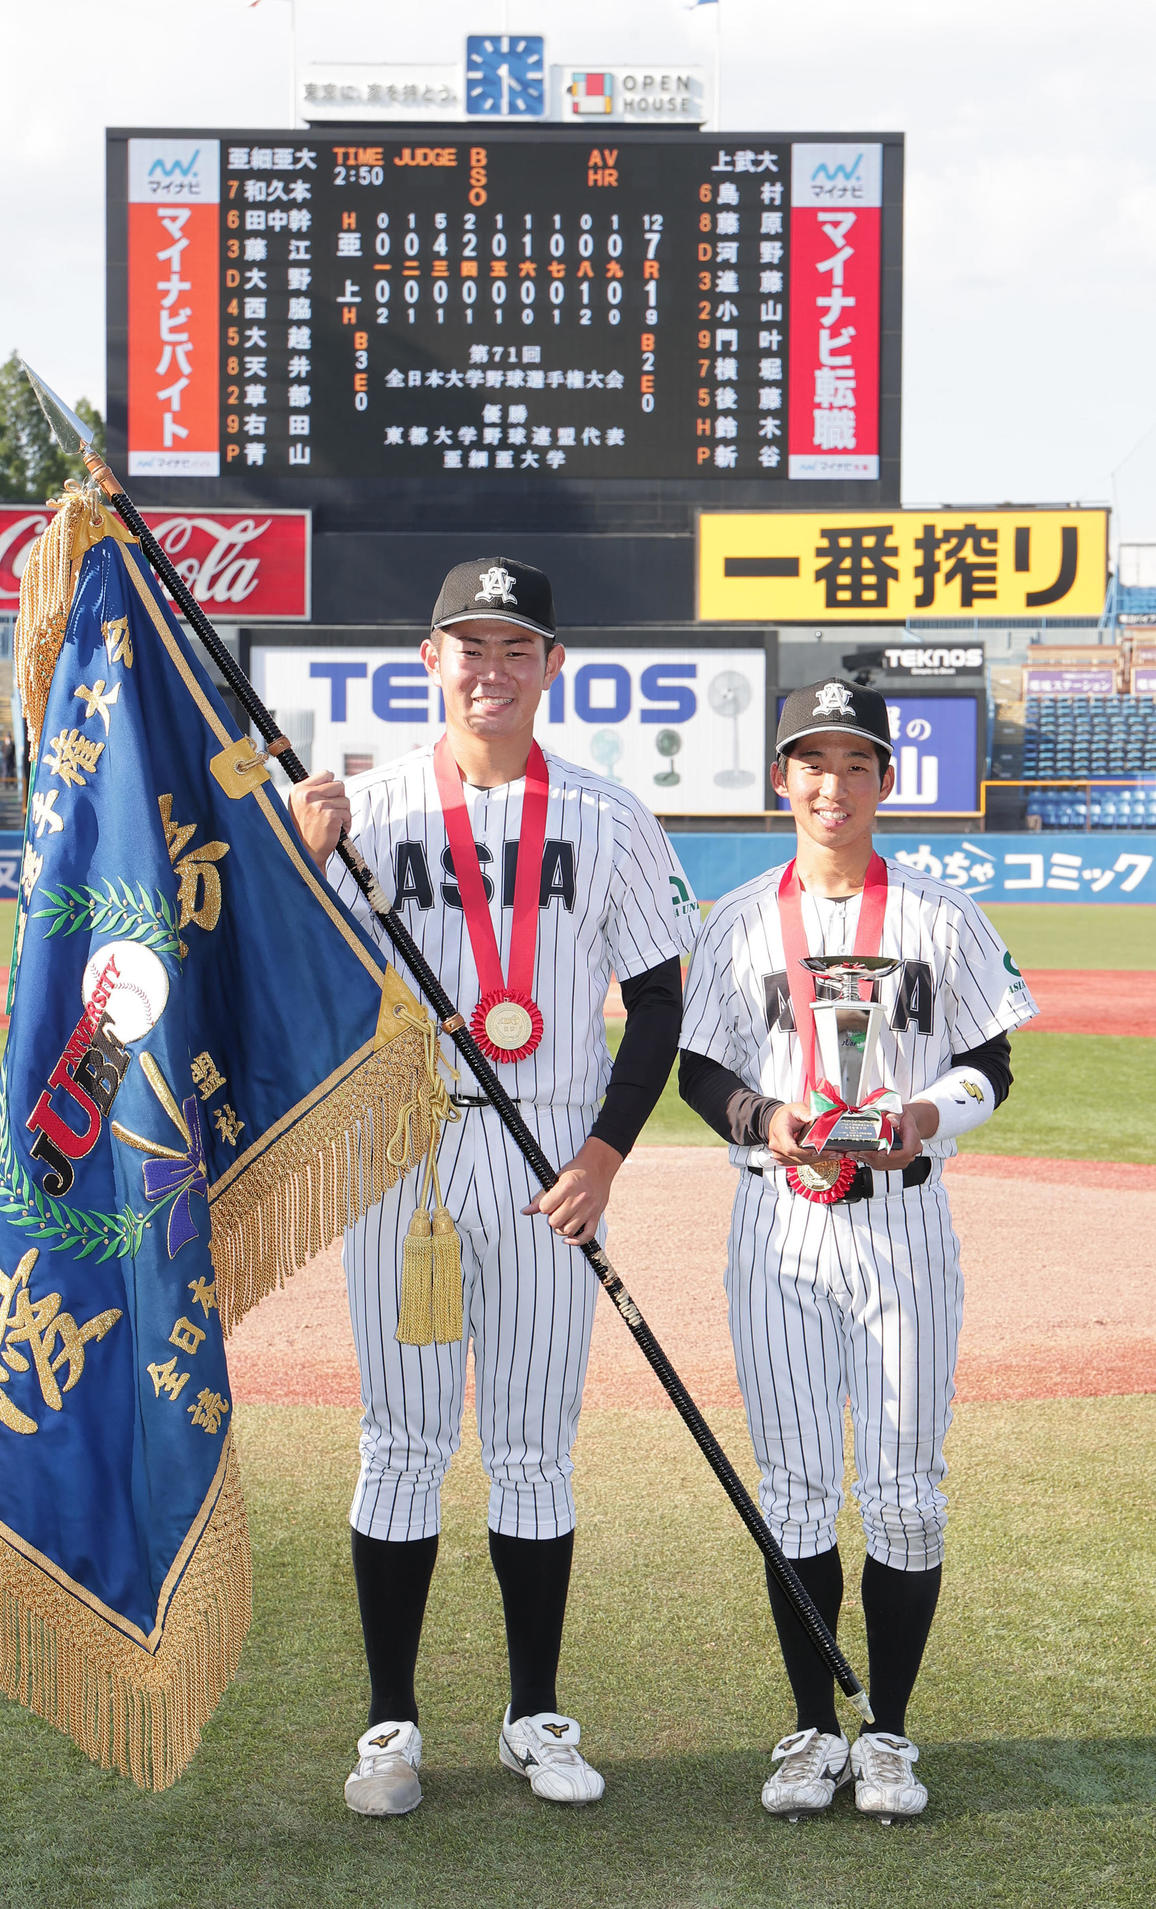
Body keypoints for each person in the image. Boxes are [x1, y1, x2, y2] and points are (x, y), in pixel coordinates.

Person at [289, 558, 698, 1817]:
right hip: (400, 1150)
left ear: (551, 669)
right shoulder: (360, 809)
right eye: (469, 644)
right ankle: (389, 1725)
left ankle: (534, 1714)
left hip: (547, 1154)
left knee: (531, 1445)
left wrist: (604, 1155)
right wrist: (298, 861)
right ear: (429, 661)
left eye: (517, 647)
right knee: (400, 1440)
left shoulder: (610, 815)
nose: (491, 667)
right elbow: (284, 975)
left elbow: (659, 1001)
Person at [678, 679, 1037, 1825]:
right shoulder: (737, 919)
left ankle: (886, 1732)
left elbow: (992, 1061)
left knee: (902, 1494)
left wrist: (927, 1116)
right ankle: (809, 1730)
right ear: (782, 779)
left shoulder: (940, 913)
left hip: (904, 1224)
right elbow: (699, 1070)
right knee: (790, 1489)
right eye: (811, 764)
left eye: (855, 764)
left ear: (887, 780)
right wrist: (761, 1119)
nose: (832, 786)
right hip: (777, 1220)